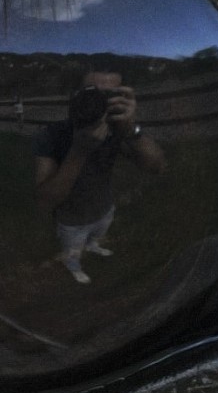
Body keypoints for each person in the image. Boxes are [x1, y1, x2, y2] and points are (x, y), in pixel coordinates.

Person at [31, 70, 166, 282]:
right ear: (73, 96)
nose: (98, 103)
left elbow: (156, 167)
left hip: (104, 210)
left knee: (96, 236)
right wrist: (78, 151)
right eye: (90, 94)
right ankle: (74, 267)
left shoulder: (117, 129)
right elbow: (44, 202)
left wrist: (131, 130)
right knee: (73, 252)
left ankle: (93, 245)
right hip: (71, 220)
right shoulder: (51, 134)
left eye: (107, 96)